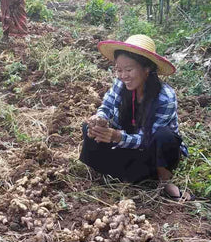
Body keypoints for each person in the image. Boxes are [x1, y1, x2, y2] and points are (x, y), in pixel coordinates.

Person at [79, 35, 192, 201]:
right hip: (127, 145)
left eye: (129, 69)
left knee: (165, 136)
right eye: (119, 69)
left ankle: (163, 181)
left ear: (147, 69)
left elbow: (149, 139)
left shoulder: (165, 97)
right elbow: (107, 107)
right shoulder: (120, 84)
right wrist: (100, 119)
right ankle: (132, 175)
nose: (123, 75)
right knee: (88, 129)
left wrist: (117, 136)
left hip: (152, 152)